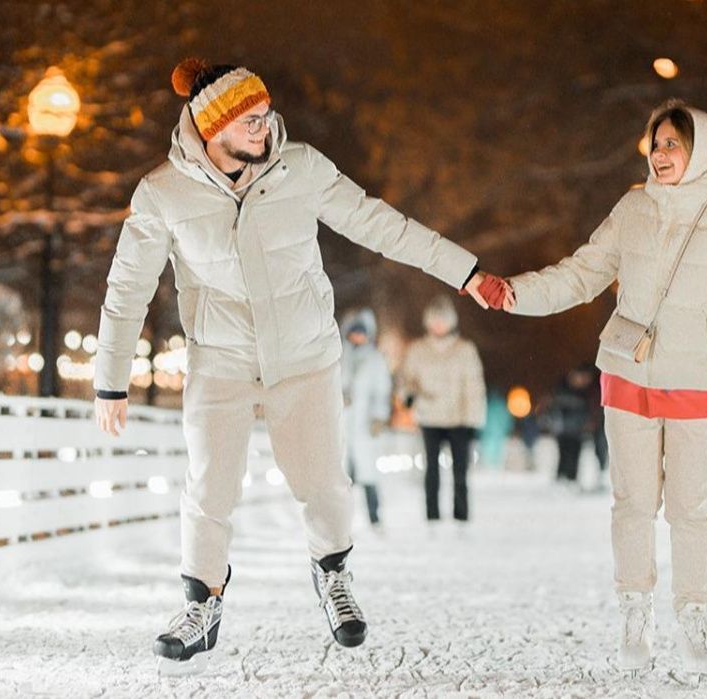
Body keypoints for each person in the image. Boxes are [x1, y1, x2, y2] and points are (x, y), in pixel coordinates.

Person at [91, 58, 496, 673]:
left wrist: (464, 272)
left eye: (265, 115)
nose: (265, 127)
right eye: (250, 121)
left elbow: (380, 224)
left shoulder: (299, 168)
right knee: (208, 487)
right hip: (220, 360)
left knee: (323, 483)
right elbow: (127, 288)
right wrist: (110, 380)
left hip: (304, 355)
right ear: (212, 127)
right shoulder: (162, 194)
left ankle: (333, 575)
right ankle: (201, 605)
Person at [482, 99, 707, 675]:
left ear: (704, 149)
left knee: (692, 509)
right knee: (632, 504)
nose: (662, 153)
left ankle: (694, 617)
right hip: (629, 376)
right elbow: (581, 273)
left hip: (699, 384)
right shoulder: (632, 209)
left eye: (674, 143)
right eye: (657, 143)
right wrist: (513, 293)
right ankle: (635, 611)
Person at [397, 296, 487, 525]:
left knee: (460, 471)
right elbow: (406, 379)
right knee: (431, 470)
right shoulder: (417, 350)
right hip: (429, 417)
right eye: (435, 321)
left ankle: (461, 516)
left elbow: (474, 387)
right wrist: (407, 396)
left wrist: (474, 420)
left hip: (459, 420)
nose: (438, 326)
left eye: (443, 321)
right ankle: (432, 516)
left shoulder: (465, 350)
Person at [340, 308, 391, 531]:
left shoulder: (375, 359)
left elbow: (382, 391)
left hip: (364, 425)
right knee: (341, 477)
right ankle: (342, 520)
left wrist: (379, 417)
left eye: (361, 333)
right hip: (341, 424)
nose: (357, 337)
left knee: (368, 472)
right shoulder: (340, 356)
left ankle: (374, 517)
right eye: (354, 333)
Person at [544, 364, 598, 488]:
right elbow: (555, 407)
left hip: (577, 430)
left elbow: (587, 411)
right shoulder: (563, 389)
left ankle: (571, 479)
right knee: (564, 453)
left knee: (575, 453)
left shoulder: (584, 393)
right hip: (563, 429)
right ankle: (561, 478)